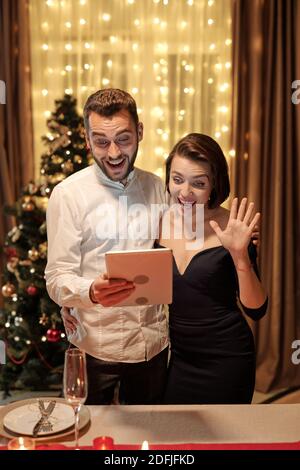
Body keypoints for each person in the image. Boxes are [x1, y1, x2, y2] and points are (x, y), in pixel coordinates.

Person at [45, 88, 169, 405]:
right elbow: (57, 276)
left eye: (124, 139)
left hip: (151, 346)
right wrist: (88, 291)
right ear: (87, 139)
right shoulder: (68, 194)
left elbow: (183, 257)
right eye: (101, 141)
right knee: (85, 436)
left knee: (149, 440)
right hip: (94, 345)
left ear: (139, 132)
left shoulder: (159, 188)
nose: (113, 152)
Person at [157, 133, 268, 404]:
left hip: (227, 358)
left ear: (214, 184)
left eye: (199, 183)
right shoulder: (157, 221)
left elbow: (257, 309)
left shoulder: (234, 226)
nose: (185, 192)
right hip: (180, 358)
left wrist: (241, 256)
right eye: (177, 179)